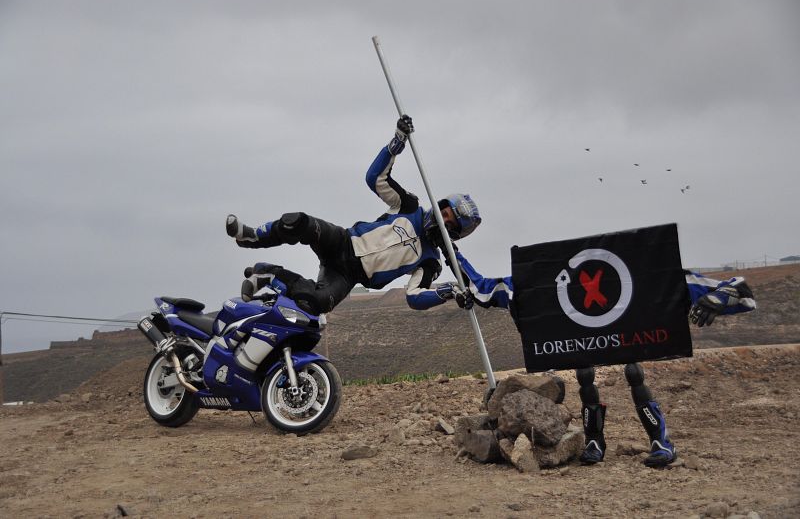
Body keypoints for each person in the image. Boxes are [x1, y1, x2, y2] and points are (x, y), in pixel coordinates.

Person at [408, 253, 756, 467]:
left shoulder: (650, 275)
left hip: (628, 331)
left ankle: (659, 440)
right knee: (584, 370)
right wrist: (453, 252)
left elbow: (740, 289)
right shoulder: (539, 284)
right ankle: (594, 440)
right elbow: (486, 288)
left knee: (634, 371)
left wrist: (718, 297)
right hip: (586, 336)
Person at [226, 115, 479, 316]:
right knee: (300, 222)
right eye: (444, 212)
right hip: (344, 240)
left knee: (315, 303)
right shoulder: (410, 206)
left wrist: (448, 292)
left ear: (457, 233)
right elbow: (375, 179)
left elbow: (414, 298)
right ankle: (252, 236)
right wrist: (397, 141)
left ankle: (267, 274)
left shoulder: (431, 262)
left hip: (350, 275)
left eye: (450, 221)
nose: (443, 220)